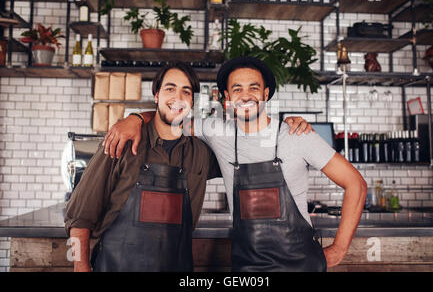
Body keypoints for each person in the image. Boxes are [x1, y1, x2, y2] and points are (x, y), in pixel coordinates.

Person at [103, 56, 367, 272]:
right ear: (226, 98)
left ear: (265, 93)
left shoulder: (297, 135)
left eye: (253, 87)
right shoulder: (216, 130)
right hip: (246, 267)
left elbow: (355, 183)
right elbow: (168, 118)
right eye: (237, 89)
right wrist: (135, 118)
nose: (246, 95)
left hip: (301, 265)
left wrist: (340, 248)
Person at [65, 61, 224, 272]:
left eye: (186, 91)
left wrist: (283, 124)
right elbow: (79, 216)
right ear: (156, 95)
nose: (177, 97)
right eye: (170, 89)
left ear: (192, 102)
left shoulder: (200, 153)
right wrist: (80, 267)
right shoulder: (120, 142)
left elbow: (246, 148)